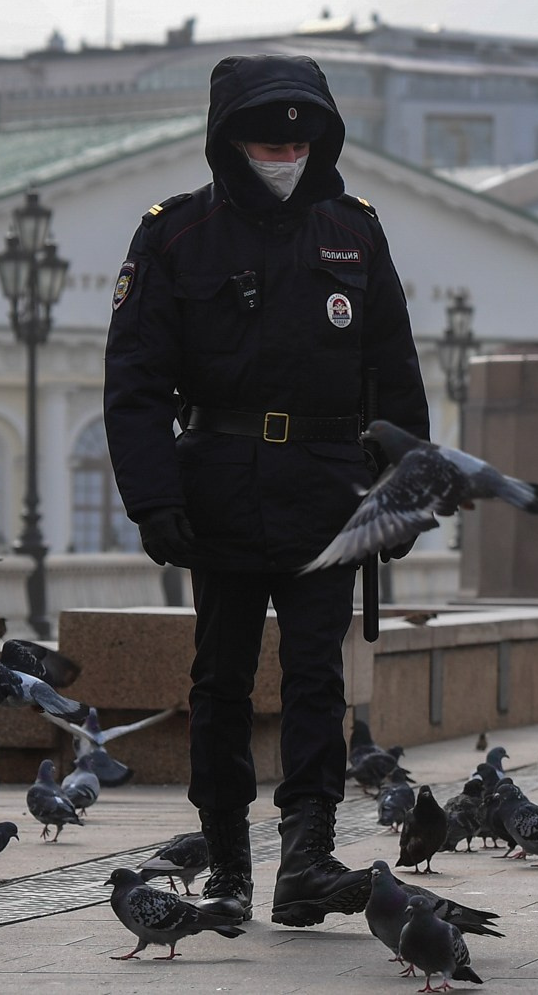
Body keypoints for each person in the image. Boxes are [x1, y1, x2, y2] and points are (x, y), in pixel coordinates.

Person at [104, 53, 428, 925]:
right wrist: (153, 496)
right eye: (264, 135)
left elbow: (394, 374)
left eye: (299, 135)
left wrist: (404, 493)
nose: (284, 150)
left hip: (329, 485)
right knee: (222, 677)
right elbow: (134, 381)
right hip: (220, 482)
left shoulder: (355, 231)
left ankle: (307, 854)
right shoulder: (175, 234)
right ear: (226, 140)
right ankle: (226, 860)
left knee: (317, 672)